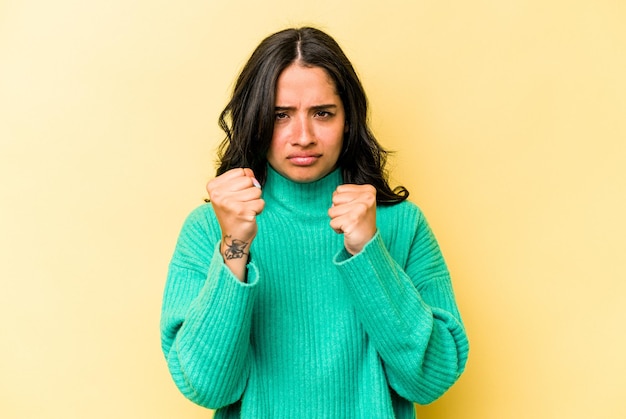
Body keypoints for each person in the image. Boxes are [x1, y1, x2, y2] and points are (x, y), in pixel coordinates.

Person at [160, 27, 469, 418]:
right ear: (254, 120)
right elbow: (207, 387)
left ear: (348, 120)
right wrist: (234, 247)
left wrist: (368, 252)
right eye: (280, 116)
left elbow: (429, 380)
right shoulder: (208, 229)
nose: (302, 136)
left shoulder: (402, 224)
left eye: (322, 113)